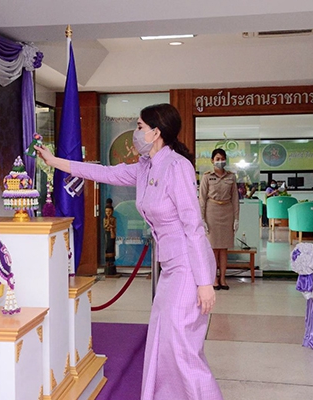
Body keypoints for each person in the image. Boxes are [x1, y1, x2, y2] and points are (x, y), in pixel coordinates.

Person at [35, 103, 222, 400]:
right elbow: (103, 172)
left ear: (156, 132)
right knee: (163, 341)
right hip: (171, 267)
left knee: (182, 347)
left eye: (139, 126)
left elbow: (193, 226)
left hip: (189, 266)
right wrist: (54, 161)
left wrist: (204, 282)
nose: (135, 132)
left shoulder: (177, 167)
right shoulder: (146, 167)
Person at [199, 148, 239, 291]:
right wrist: (202, 219)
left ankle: (223, 278)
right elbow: (202, 199)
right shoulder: (207, 177)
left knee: (224, 249)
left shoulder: (231, 177)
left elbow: (235, 199)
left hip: (227, 212)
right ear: (212, 160)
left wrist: (236, 218)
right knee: (213, 249)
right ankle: (214, 278)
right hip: (212, 212)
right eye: (217, 159)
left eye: (222, 159)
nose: (220, 161)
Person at [103, 198, 117, 275]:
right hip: (107, 233)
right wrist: (108, 225)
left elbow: (114, 226)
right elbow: (104, 226)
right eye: (107, 212)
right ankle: (107, 261)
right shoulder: (104, 219)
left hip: (112, 233)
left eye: (110, 211)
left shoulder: (113, 219)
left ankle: (111, 261)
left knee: (112, 246)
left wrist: (111, 226)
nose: (108, 213)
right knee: (107, 246)